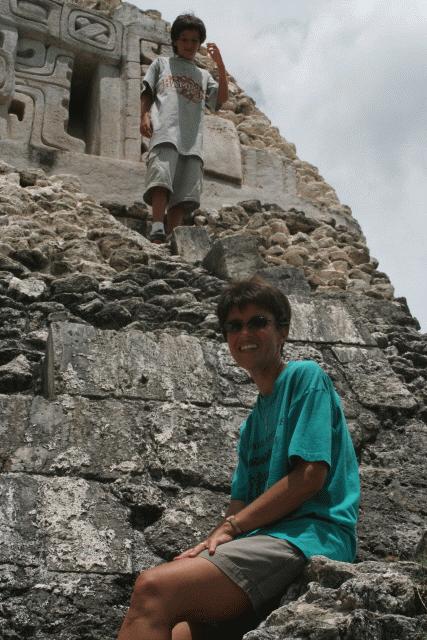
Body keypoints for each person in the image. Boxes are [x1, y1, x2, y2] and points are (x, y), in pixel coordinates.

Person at [117, 276, 360, 640]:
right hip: (266, 540)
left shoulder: (304, 377)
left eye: (258, 322)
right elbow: (239, 504)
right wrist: (210, 543)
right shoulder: (251, 425)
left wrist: (231, 529)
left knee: (154, 589)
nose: (245, 332)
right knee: (181, 631)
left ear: (283, 331)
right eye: (234, 325)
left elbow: (310, 476)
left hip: (313, 535)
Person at [140, 14, 228, 243]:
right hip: (165, 129)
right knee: (161, 176)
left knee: (184, 188)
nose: (190, 45)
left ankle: (174, 234)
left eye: (194, 41)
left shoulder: (204, 75)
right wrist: (144, 115)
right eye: (185, 40)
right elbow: (147, 91)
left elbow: (219, 100)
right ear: (175, 41)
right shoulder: (161, 63)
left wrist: (220, 65)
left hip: (192, 138)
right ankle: (157, 225)